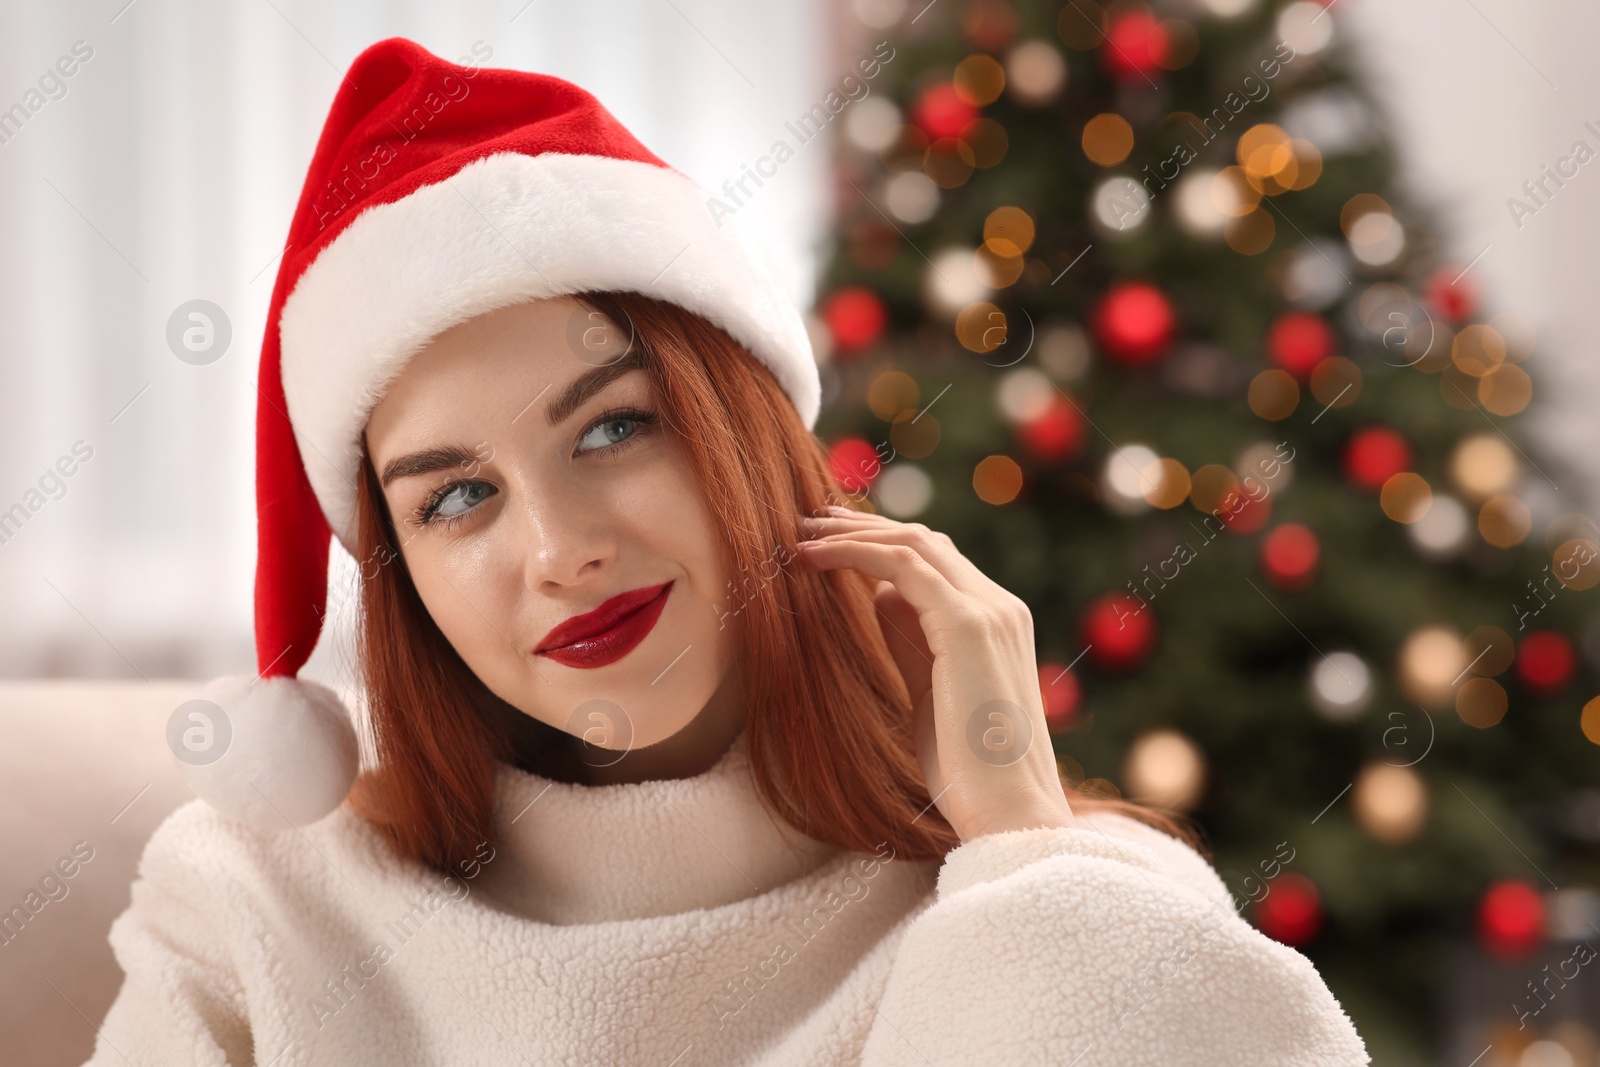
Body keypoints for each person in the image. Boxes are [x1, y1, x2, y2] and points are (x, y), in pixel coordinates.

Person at [84, 38, 1370, 1066]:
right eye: (456, 497)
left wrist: (1020, 853)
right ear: (398, 572)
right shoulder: (257, 903)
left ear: (745, 435)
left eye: (614, 426)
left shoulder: (1067, 891)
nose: (558, 550)